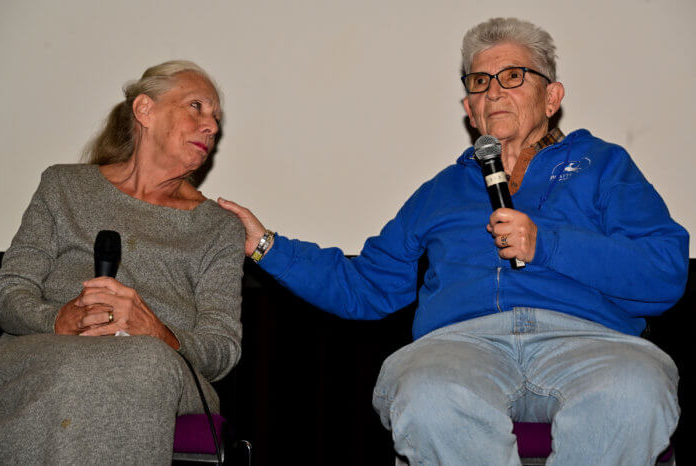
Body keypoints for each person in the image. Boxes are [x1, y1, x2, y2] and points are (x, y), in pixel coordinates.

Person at [220, 17, 689, 465]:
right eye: (479, 82)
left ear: (552, 97)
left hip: (590, 342)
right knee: (425, 392)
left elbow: (664, 271)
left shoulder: (604, 166)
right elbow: (366, 285)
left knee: (635, 390)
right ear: (469, 109)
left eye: (512, 76)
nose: (494, 91)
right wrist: (267, 246)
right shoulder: (441, 191)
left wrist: (546, 243)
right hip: (463, 347)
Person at [0, 60, 245, 463]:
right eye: (196, 107)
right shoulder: (64, 186)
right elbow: (9, 291)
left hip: (153, 363)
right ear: (145, 110)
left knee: (141, 362)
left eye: (216, 119)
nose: (212, 127)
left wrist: (159, 332)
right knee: (62, 370)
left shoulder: (218, 228)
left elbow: (221, 349)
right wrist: (58, 319)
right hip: (48, 348)